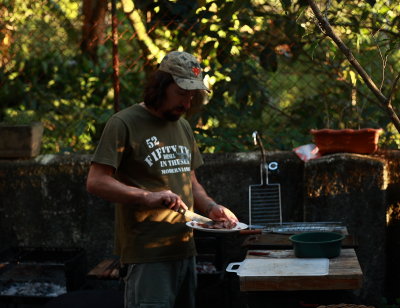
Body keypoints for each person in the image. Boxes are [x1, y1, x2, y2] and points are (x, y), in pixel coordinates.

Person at [86, 50, 238, 308]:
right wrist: (148, 197)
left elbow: (190, 181)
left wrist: (212, 208)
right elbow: (96, 181)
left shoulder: (183, 126)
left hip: (184, 249)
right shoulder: (123, 123)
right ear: (161, 85)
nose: (187, 104)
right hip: (147, 255)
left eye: (191, 96)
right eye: (181, 94)